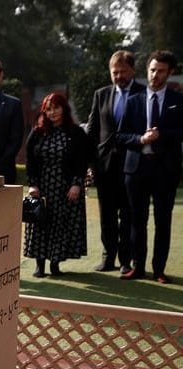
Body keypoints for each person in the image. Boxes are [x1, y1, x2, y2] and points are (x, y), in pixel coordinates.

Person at [116, 50, 183, 283]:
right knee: (137, 220)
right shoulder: (134, 100)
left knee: (163, 221)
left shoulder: (178, 101)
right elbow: (121, 135)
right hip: (136, 169)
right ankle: (138, 266)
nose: (155, 75)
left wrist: (161, 135)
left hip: (165, 170)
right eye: (152, 70)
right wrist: (140, 140)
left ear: (170, 73)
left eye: (160, 71)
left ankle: (159, 270)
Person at [86, 50, 144, 274]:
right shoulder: (101, 94)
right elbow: (92, 131)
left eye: (123, 71)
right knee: (107, 215)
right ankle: (108, 257)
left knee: (128, 215)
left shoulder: (143, 93)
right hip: (105, 166)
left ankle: (125, 260)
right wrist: (90, 163)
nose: (118, 76)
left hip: (133, 165)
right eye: (114, 72)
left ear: (132, 70)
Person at [23, 93, 89, 277]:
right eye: (48, 109)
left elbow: (81, 161)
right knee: (39, 225)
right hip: (42, 188)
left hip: (65, 189)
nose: (52, 113)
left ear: (64, 108)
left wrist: (77, 184)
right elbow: (30, 161)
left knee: (60, 225)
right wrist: (32, 184)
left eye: (56, 108)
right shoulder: (37, 132)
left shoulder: (76, 133)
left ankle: (55, 265)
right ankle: (39, 266)